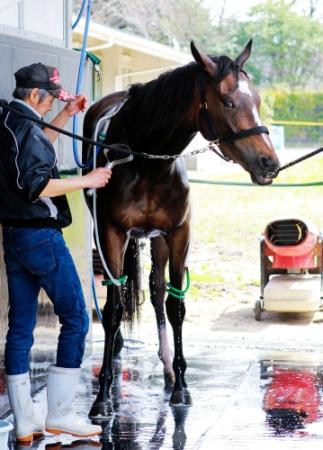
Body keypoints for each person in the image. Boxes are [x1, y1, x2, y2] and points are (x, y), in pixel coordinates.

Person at [0, 63, 112, 443]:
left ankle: (24, 424)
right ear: (35, 95)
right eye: (50, 101)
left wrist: (66, 115)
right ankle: (61, 414)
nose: (50, 107)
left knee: (20, 329)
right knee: (77, 319)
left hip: (14, 237)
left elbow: (31, 144)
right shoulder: (24, 127)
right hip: (42, 239)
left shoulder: (9, 120)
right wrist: (89, 180)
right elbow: (36, 186)